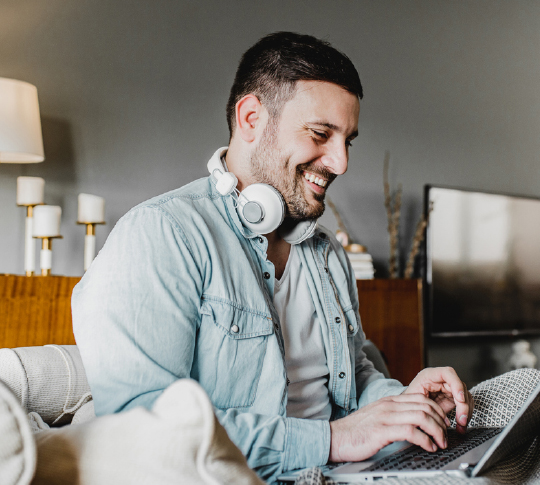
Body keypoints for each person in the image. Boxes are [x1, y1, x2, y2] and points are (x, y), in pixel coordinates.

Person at [72, 32, 473, 483]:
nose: (340, 162)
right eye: (320, 134)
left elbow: (353, 374)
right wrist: (334, 439)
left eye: (348, 141)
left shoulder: (327, 253)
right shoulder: (162, 234)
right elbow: (142, 430)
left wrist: (404, 405)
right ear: (251, 118)